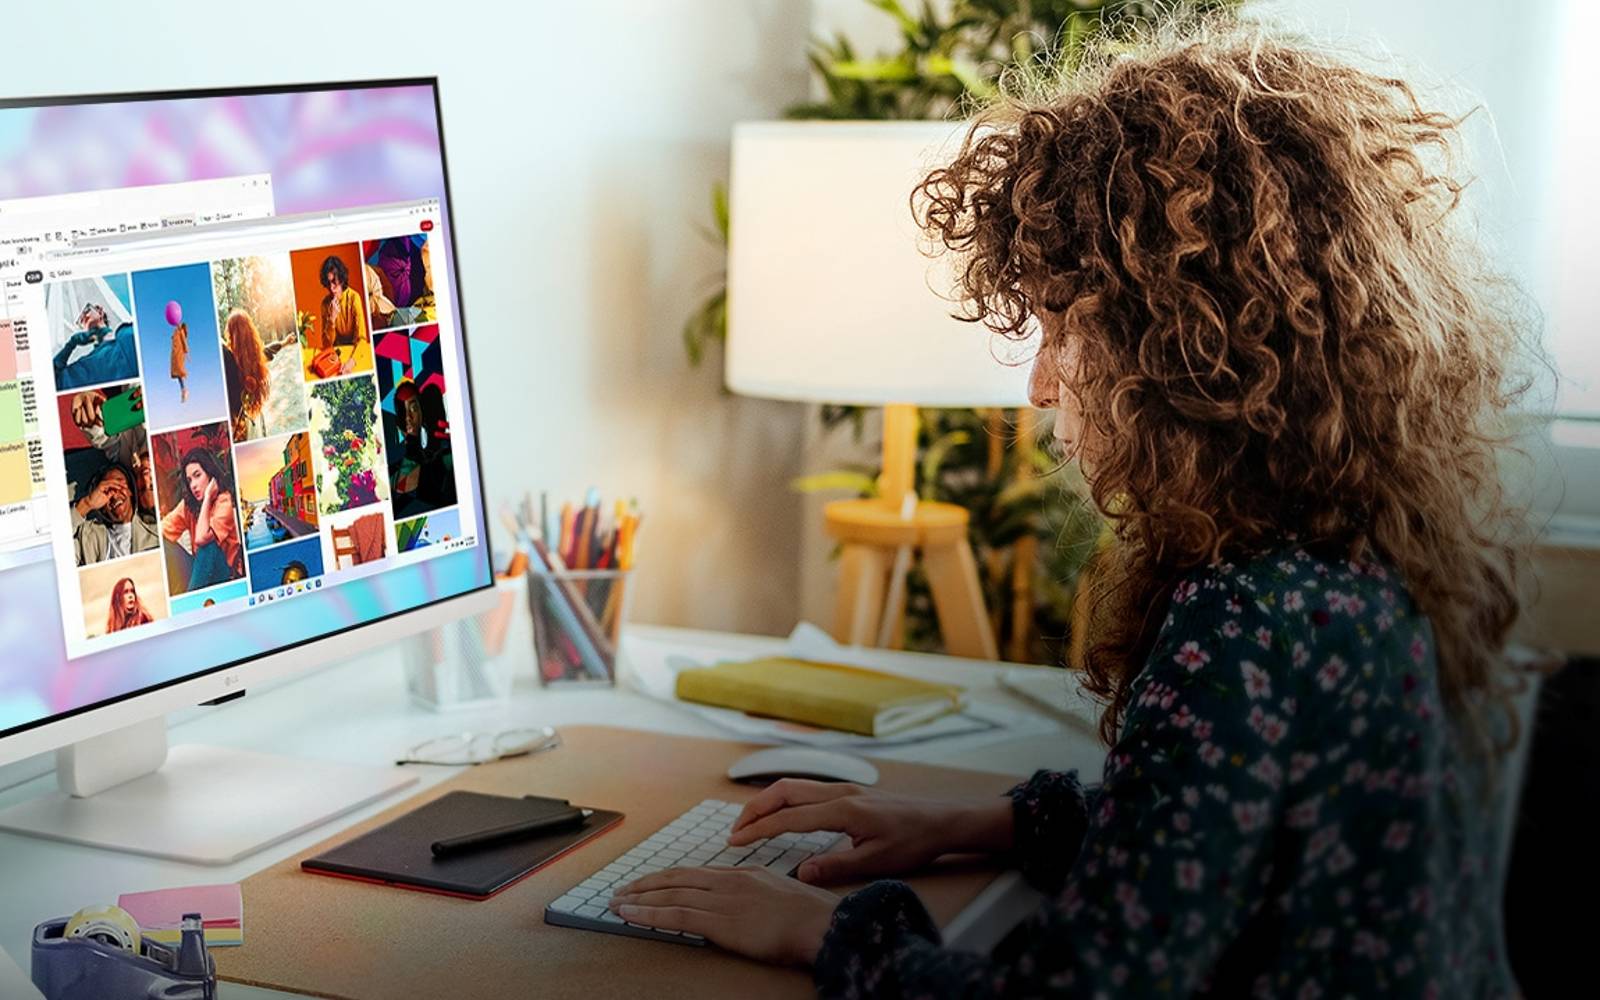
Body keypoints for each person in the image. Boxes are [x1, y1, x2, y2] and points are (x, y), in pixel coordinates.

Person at [606, 16, 1530, 999]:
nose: (1040, 386)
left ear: (1176, 350)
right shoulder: (1338, 561)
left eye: (1061, 331)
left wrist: (828, 934)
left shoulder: (1241, 622)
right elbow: (1213, 836)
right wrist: (980, 822)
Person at [160, 448, 242, 592]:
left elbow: (201, 538)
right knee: (162, 543)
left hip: (224, 573)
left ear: (211, 475)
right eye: (189, 480)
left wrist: (208, 497)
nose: (193, 485)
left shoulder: (224, 502)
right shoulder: (188, 505)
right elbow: (162, 530)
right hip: (201, 567)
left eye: (197, 476)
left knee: (207, 546)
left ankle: (191, 598)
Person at [71, 461, 159, 566]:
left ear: (131, 491)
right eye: (107, 490)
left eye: (119, 484)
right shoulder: (86, 538)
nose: (114, 496)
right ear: (102, 507)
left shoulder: (157, 533)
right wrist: (86, 504)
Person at [53, 303, 139, 390]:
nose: (83, 317)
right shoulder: (86, 359)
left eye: (86, 311)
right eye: (80, 321)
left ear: (100, 311)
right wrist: (71, 344)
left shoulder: (124, 335)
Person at [222, 309, 272, 441]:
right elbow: (268, 351)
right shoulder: (255, 360)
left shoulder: (227, 358)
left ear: (231, 333)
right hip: (247, 423)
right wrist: (284, 343)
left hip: (236, 427)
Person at [318, 255, 367, 350]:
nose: (331, 288)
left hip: (356, 351)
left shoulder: (354, 298)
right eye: (328, 283)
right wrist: (331, 320)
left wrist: (352, 362)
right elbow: (326, 345)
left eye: (333, 281)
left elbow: (362, 339)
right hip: (337, 354)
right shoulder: (325, 304)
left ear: (341, 279)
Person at [170, 320, 189, 403]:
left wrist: (187, 352)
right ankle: (183, 389)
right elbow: (173, 339)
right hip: (175, 355)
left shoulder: (181, 332)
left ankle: (184, 390)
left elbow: (184, 343)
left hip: (178, 354)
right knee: (177, 373)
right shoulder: (176, 331)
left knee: (179, 371)